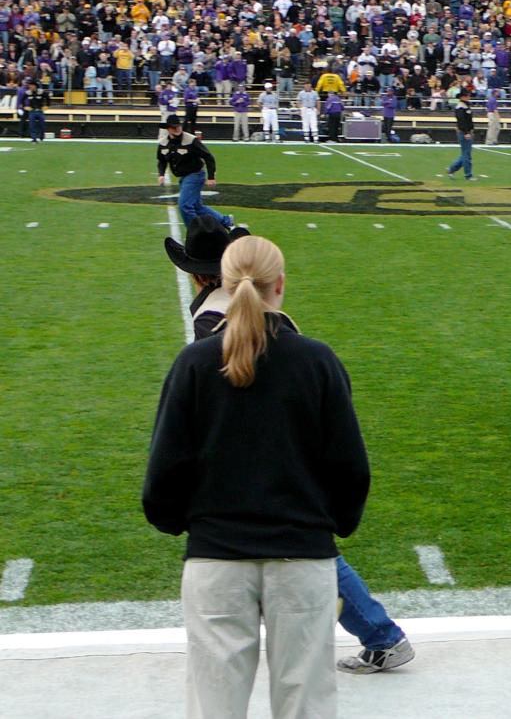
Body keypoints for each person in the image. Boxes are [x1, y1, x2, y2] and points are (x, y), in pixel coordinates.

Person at [163, 220, 416, 678]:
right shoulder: (263, 316)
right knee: (308, 553)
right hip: (287, 465)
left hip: (252, 473)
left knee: (301, 557)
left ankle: (383, 634)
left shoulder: (212, 320)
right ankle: (381, 634)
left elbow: (230, 400)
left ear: (203, 275)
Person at [142, 235, 372, 717]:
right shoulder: (317, 361)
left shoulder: (194, 363)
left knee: (213, 705)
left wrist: (192, 524)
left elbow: (163, 476)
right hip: (302, 561)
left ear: (223, 286)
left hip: (216, 562)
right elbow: (350, 469)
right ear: (280, 285)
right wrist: (326, 524)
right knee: (306, 702)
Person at [157, 115, 233, 229]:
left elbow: (208, 157)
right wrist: (161, 174)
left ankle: (195, 233)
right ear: (168, 129)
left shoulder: (191, 140)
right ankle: (225, 221)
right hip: (183, 178)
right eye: (173, 127)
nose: (177, 129)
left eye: (178, 126)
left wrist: (211, 176)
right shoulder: (163, 143)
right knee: (197, 207)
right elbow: (161, 160)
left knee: (184, 206)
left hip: (195, 175)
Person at [447, 92, 475, 179]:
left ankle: (452, 169)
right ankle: (468, 175)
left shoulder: (465, 105)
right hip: (464, 132)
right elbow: (461, 121)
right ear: (463, 97)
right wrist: (466, 132)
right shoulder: (460, 107)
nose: (469, 97)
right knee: (466, 155)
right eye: (468, 95)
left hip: (467, 131)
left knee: (465, 154)